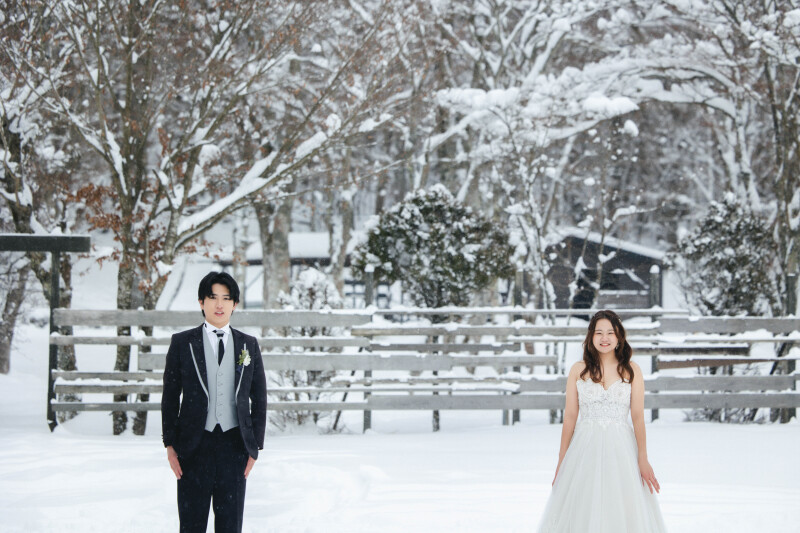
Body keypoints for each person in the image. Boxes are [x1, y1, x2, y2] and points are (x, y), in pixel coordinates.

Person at [537, 310, 667, 532]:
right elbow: (569, 417)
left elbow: (637, 417)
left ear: (619, 337)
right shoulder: (578, 370)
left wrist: (643, 458)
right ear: (591, 336)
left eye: (610, 333)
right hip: (585, 449)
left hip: (622, 449)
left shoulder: (631, 370)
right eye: (599, 333)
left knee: (621, 504)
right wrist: (562, 460)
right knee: (584, 504)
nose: (604, 338)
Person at [161, 271, 267, 533]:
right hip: (193, 448)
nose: (219, 305)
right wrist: (170, 444)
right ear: (201, 302)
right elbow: (170, 395)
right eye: (212, 297)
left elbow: (260, 397)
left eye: (226, 298)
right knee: (191, 526)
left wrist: (254, 448)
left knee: (230, 527)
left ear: (235, 304)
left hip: (234, 447)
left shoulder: (248, 345)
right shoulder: (182, 343)